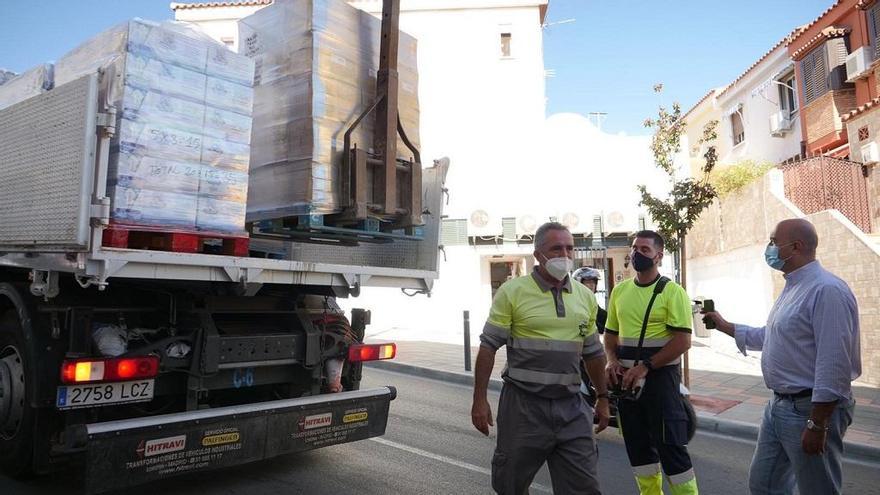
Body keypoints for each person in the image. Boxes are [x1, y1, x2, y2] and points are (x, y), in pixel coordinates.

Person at [702, 218, 860, 495]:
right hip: (778, 407)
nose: (769, 248)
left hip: (809, 410)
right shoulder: (793, 287)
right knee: (765, 485)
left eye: (774, 241)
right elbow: (771, 337)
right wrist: (725, 326)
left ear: (795, 246)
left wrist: (817, 423)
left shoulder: (827, 290)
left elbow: (834, 364)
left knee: (817, 489)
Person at [471, 222, 609, 495]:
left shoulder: (584, 297)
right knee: (510, 485)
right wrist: (479, 399)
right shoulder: (513, 292)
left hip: (572, 407)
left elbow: (594, 353)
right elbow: (488, 347)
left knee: (584, 487)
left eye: (569, 248)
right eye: (556, 248)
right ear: (538, 255)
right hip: (523, 407)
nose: (564, 255)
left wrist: (603, 398)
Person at [604, 230, 698, 495]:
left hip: (660, 383)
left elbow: (682, 342)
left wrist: (645, 366)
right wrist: (611, 361)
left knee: (672, 452)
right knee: (639, 452)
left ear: (659, 256)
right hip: (627, 384)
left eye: (645, 249)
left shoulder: (672, 292)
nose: (637, 253)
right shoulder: (620, 292)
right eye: (635, 248)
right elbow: (610, 336)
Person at [573, 267, 607, 333]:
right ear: (578, 284)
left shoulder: (601, 312)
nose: (592, 285)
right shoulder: (572, 306)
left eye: (594, 282)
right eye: (588, 282)